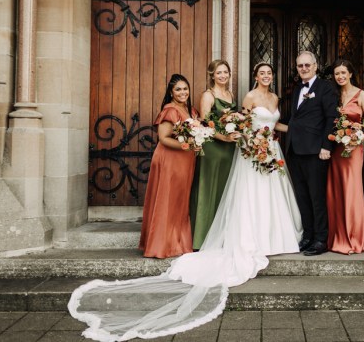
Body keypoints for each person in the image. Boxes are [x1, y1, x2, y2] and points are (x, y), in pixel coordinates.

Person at [68, 63, 302, 341]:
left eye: (184, 89)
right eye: (220, 72)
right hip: (220, 148)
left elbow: (262, 123)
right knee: (213, 193)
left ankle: (247, 233)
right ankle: (196, 238)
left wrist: (296, 131)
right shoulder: (228, 97)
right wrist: (232, 138)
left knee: (242, 195)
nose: (223, 76)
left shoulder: (267, 98)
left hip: (253, 148)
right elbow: (211, 124)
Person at [138, 74, 198, 259]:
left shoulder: (190, 110)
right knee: (168, 200)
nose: (183, 92)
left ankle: (177, 243)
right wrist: (187, 145)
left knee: (180, 201)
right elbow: (163, 139)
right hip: (170, 159)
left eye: (185, 88)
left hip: (185, 160)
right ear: (171, 92)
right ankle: (161, 245)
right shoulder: (170, 110)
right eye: (178, 89)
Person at [285, 51, 338, 256]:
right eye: (300, 66)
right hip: (296, 151)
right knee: (302, 197)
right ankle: (307, 236)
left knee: (317, 197)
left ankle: (320, 239)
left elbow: (331, 117)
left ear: (315, 66)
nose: (304, 69)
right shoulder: (298, 88)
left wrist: (327, 146)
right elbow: (295, 119)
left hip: (316, 151)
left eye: (307, 65)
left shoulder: (325, 88)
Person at [327, 59, 364, 254]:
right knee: (336, 191)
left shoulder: (360, 94)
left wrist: (359, 139)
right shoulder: (334, 95)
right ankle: (337, 238)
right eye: (337, 73)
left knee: (352, 190)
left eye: (343, 73)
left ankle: (353, 239)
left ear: (350, 74)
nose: (340, 76)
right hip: (337, 149)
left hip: (354, 149)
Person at [189, 60, 239, 250]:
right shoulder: (208, 96)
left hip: (228, 149)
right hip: (213, 148)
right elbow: (205, 124)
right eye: (219, 73)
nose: (223, 76)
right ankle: (201, 239)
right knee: (208, 189)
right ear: (212, 75)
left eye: (225, 72)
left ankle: (219, 236)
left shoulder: (230, 94)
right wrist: (224, 138)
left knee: (223, 190)